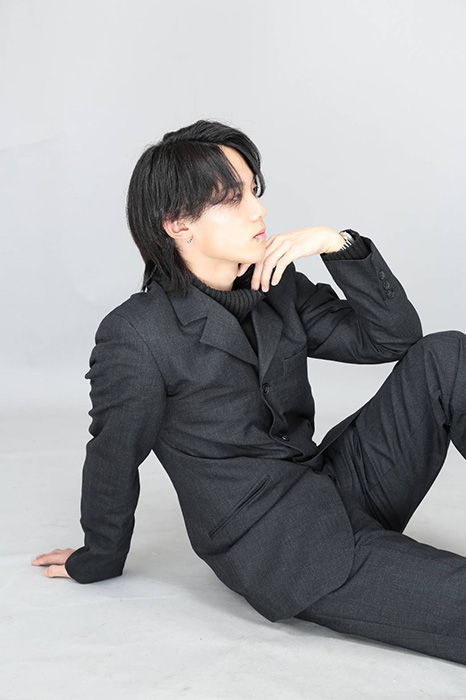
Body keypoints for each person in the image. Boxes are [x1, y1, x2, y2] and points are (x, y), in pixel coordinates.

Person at [31, 119, 466, 665]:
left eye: (253, 192)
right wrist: (98, 556)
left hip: (336, 484)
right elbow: (114, 454)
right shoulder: (137, 334)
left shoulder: (275, 285)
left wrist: (335, 243)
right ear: (177, 223)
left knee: (447, 356)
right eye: (233, 199)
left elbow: (394, 338)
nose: (258, 211)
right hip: (282, 546)